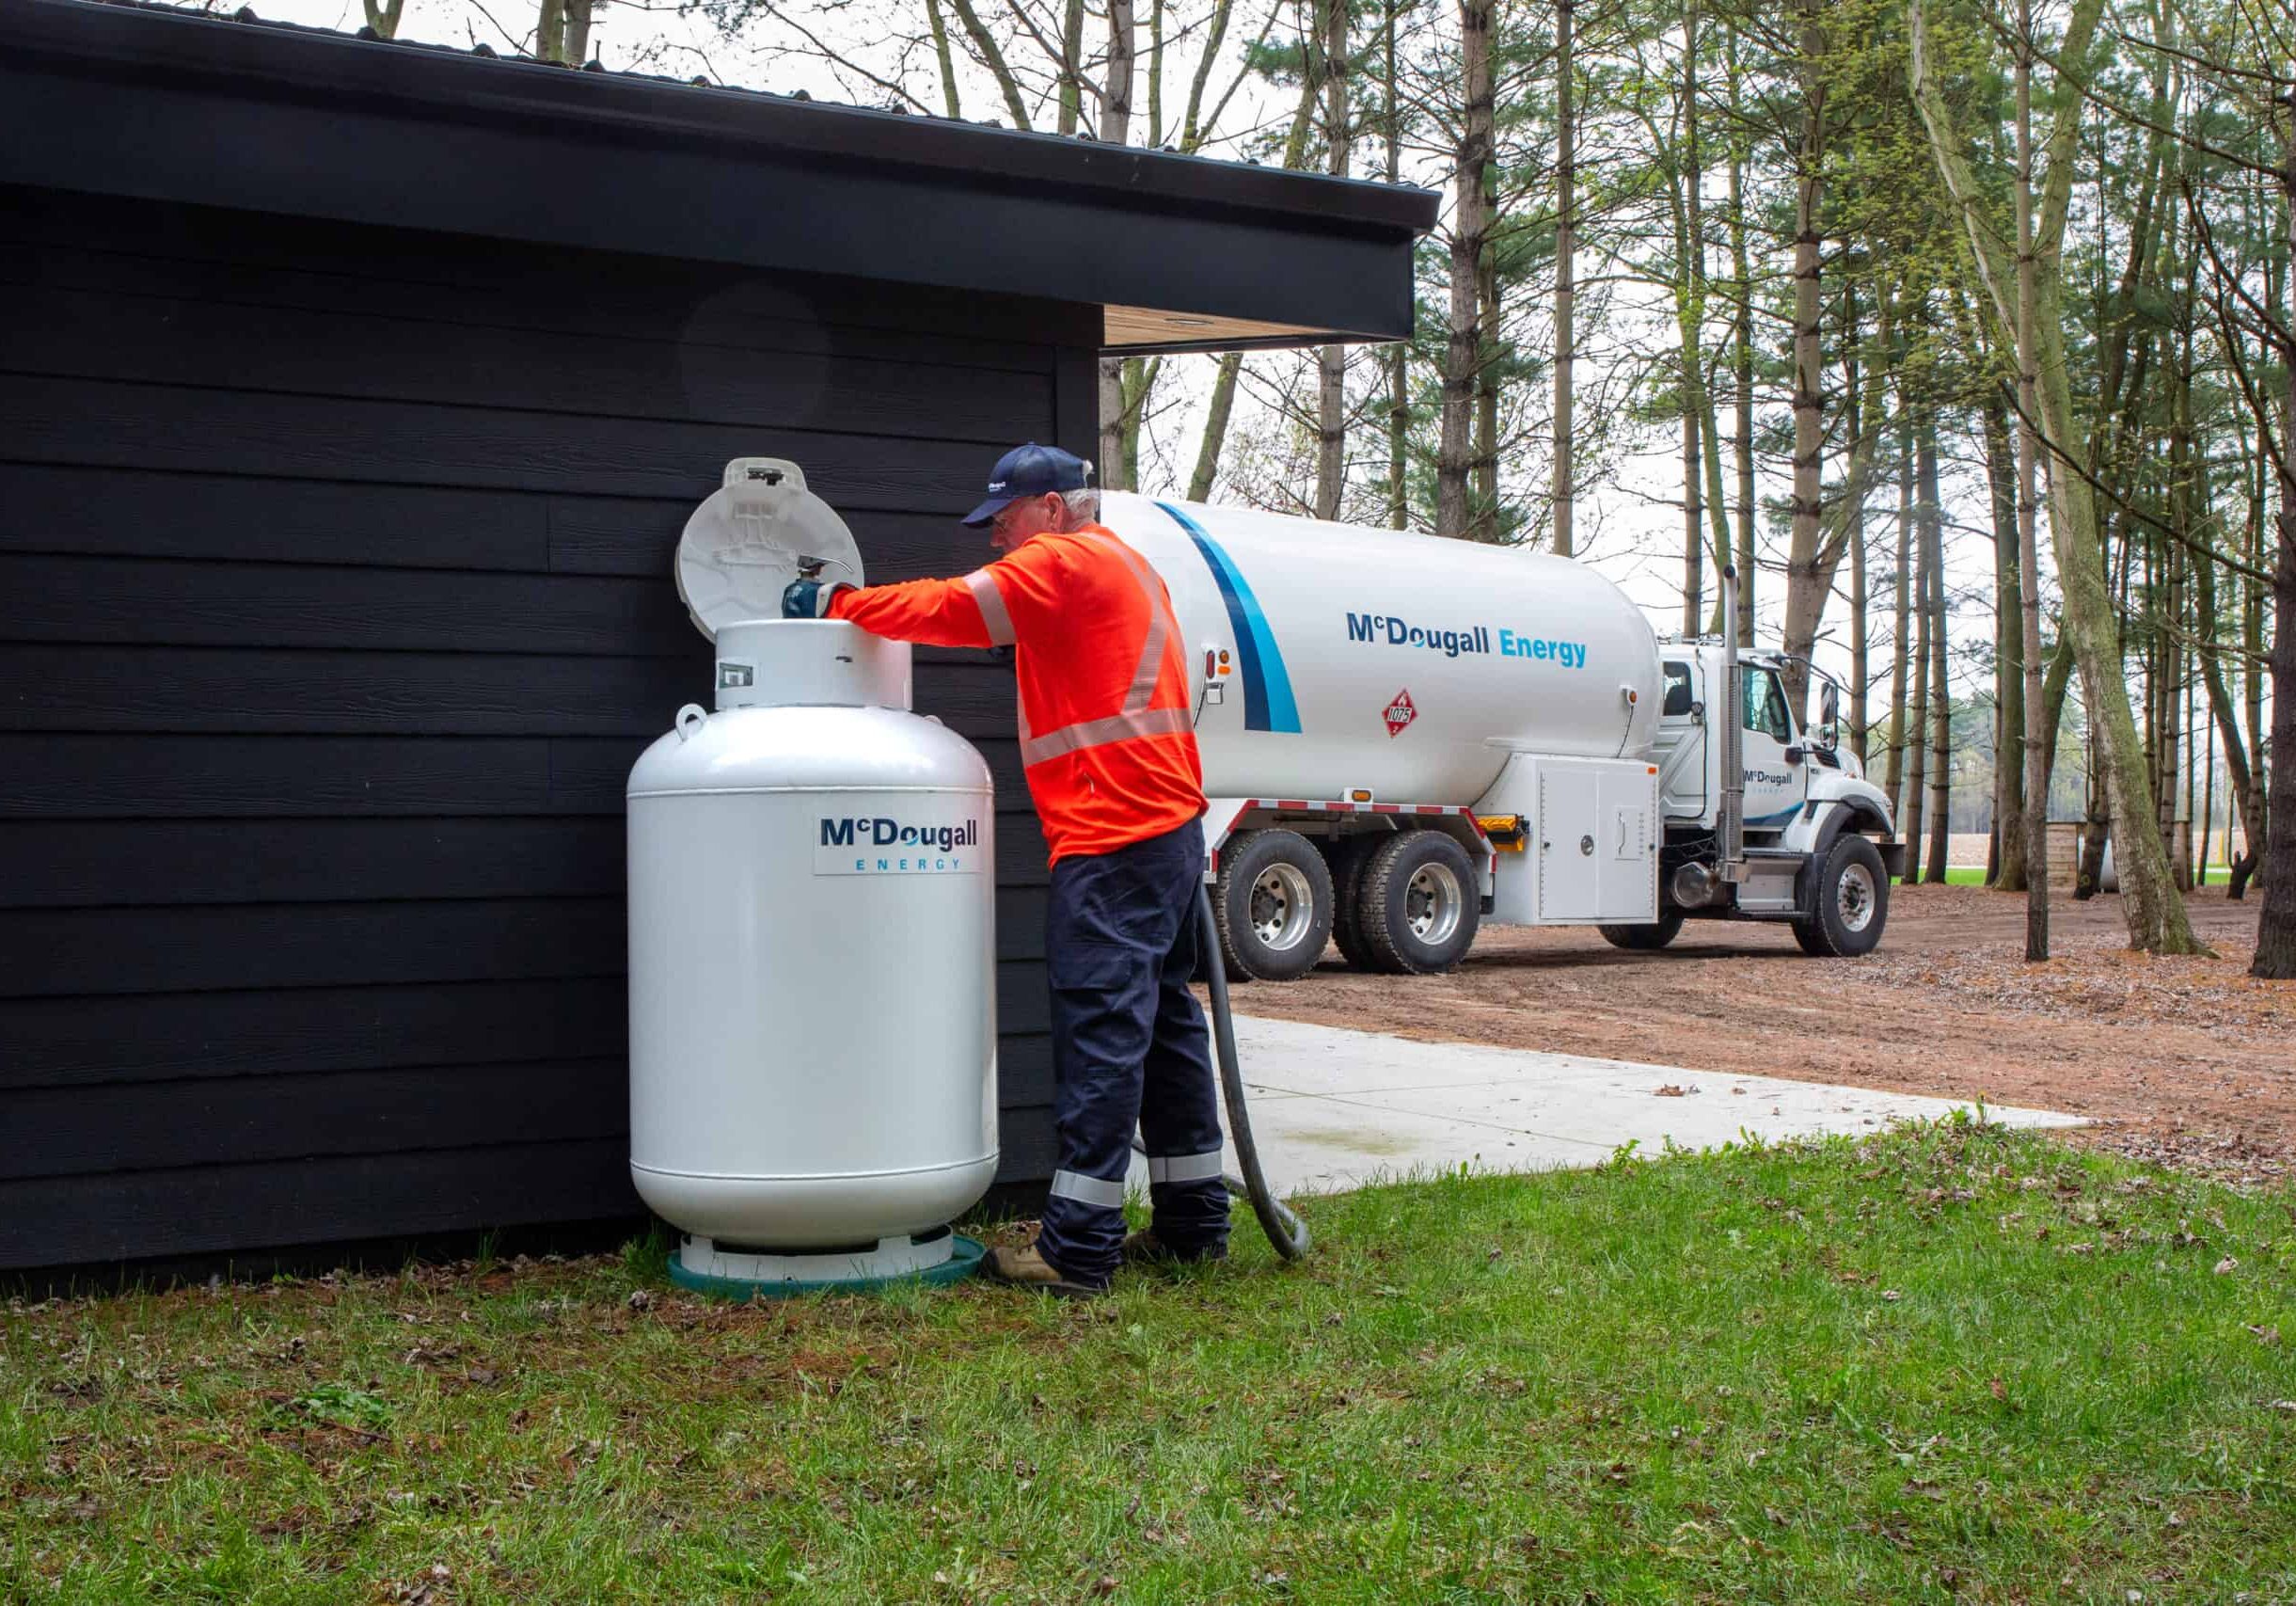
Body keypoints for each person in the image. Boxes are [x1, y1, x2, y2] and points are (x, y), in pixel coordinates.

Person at [783, 442, 1229, 1296]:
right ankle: (1192, 1225)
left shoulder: (1058, 559)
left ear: (1053, 509)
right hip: (1168, 830)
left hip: (1111, 834)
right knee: (1166, 1027)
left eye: (1006, 520)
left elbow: (951, 607)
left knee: (1102, 1033)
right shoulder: (1127, 567)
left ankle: (1077, 1247)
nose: (997, 539)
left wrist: (838, 600)